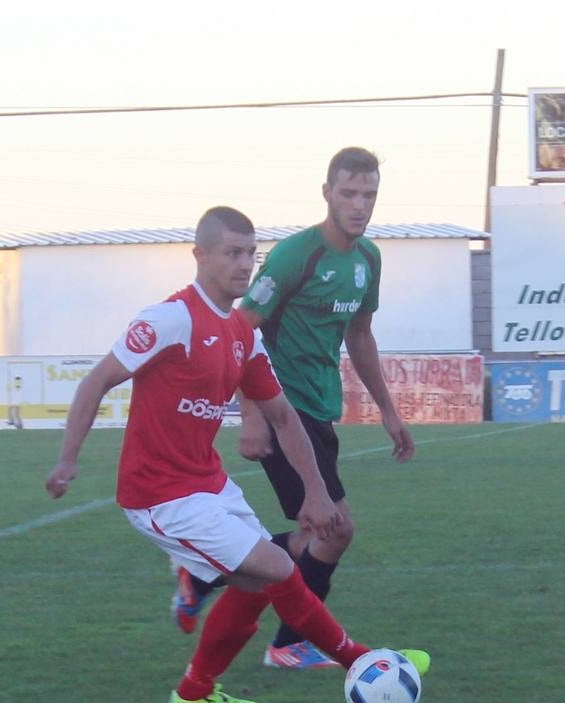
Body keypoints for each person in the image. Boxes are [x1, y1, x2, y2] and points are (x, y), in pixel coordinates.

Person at [44, 206, 427, 703]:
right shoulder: (170, 319)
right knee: (276, 566)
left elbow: (284, 418)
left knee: (254, 583)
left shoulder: (243, 335)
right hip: (158, 494)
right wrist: (68, 460)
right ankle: (358, 658)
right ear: (200, 255)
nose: (245, 264)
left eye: (250, 253)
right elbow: (97, 380)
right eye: (231, 253)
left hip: (207, 484)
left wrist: (315, 492)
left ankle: (194, 693)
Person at [170, 147, 415, 671]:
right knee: (334, 529)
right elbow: (241, 328)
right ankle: (288, 643)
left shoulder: (368, 259)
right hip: (282, 409)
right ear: (327, 193)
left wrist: (389, 411)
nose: (359, 204)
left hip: (318, 411)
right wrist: (253, 414)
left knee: (320, 534)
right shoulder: (294, 256)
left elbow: (361, 335)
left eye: (368, 194)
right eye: (348, 193)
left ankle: (209, 577)